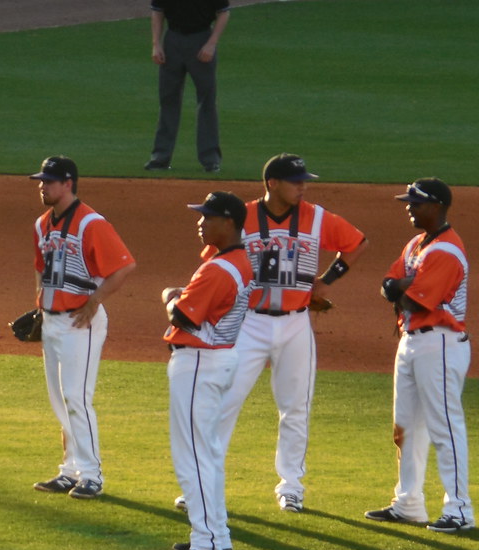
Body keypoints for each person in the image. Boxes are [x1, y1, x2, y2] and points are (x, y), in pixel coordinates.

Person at [176, 153, 368, 514]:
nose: (303, 188)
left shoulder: (317, 217)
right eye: (296, 182)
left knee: (296, 406)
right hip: (250, 322)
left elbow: (357, 243)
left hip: (296, 323)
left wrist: (327, 281)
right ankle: (202, 484)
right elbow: (214, 261)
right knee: (225, 401)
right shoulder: (242, 216)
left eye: (304, 182)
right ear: (272, 183)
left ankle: (291, 486)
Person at [365, 178, 475, 533]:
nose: (408, 207)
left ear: (438, 206)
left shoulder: (446, 251)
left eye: (416, 202)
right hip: (411, 342)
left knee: (444, 427)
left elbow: (411, 299)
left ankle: (459, 511)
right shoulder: (416, 244)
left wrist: (399, 288)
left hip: (439, 344)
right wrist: (399, 287)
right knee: (406, 427)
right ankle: (409, 504)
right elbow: (388, 283)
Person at [28, 156, 137, 500]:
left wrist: (94, 302)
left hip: (81, 322)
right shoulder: (42, 223)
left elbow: (124, 266)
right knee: (61, 400)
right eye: (41, 181)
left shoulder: (92, 223)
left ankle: (92, 475)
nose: (42, 186)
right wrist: (40, 306)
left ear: (68, 183)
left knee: (77, 397)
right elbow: (40, 267)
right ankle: (70, 470)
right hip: (53, 321)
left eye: (49, 181)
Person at [162, 191, 253, 550]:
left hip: (200, 362)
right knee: (208, 456)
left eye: (208, 216)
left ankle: (209, 545)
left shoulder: (218, 270)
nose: (200, 222)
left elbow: (182, 317)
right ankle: (217, 537)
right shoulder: (236, 261)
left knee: (195, 458)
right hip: (215, 360)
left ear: (229, 222)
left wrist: (169, 296)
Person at [144, 1, 231, 173]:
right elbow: (157, 11)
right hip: (173, 40)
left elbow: (224, 12)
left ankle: (210, 159)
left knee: (206, 101)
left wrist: (212, 43)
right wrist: (156, 43)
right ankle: (160, 157)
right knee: (168, 99)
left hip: (202, 38)